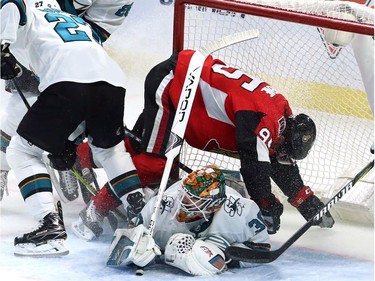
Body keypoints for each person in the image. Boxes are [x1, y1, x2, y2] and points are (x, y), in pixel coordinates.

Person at [73, 49, 335, 239]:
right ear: (283, 136)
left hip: (186, 86)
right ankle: (95, 210)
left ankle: (78, 156)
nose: (279, 154)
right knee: (156, 166)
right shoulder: (262, 119)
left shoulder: (280, 118)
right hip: (176, 83)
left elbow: (277, 162)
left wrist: (306, 203)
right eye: (282, 150)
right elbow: (254, 166)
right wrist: (264, 204)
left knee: (141, 148)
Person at [0, 0, 145, 257]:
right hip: (112, 82)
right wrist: (68, 141)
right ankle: (143, 214)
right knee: (111, 153)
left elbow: (10, 3)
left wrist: (2, 47)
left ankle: (49, 228)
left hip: (67, 82)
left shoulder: (29, 14)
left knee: (21, 152)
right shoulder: (75, 21)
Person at [106, 165, 271, 276]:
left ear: (214, 205)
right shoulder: (163, 204)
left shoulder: (242, 211)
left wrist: (226, 258)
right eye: (184, 194)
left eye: (191, 199)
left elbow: (262, 249)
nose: (182, 202)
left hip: (233, 192)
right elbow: (127, 236)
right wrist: (141, 249)